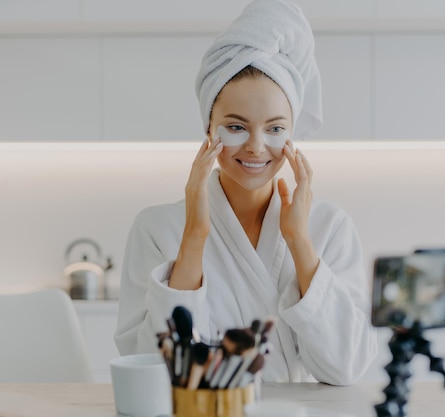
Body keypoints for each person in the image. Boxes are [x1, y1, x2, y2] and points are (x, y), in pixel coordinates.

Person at [114, 0, 378, 385]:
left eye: (274, 129)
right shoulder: (156, 227)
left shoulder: (329, 226)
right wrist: (194, 236)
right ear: (209, 130)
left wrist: (299, 242)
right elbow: (155, 371)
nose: (256, 146)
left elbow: (347, 368)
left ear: (292, 133)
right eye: (236, 127)